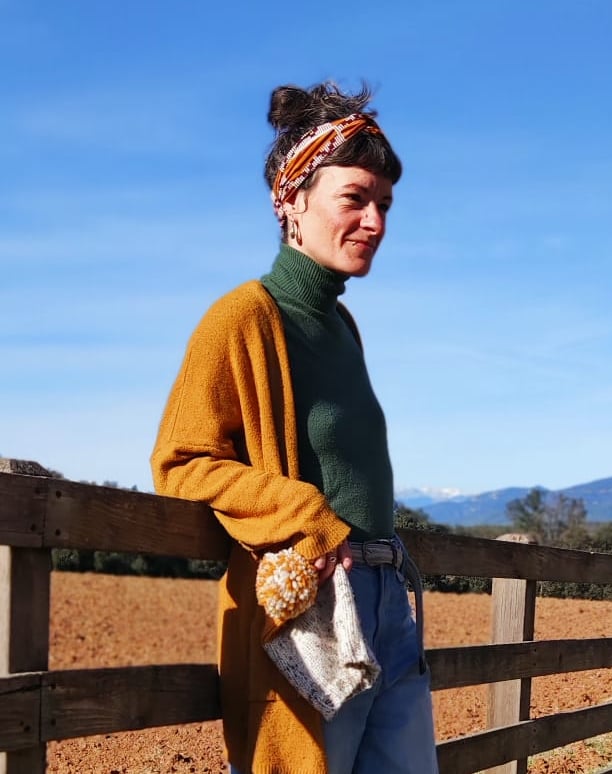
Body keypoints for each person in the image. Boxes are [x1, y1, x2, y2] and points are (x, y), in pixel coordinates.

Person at [151, 81, 438, 774]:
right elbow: (180, 462)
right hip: (312, 606)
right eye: (355, 198)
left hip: (386, 597)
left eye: (384, 204)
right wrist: (304, 513)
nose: (375, 221)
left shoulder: (342, 325)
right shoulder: (243, 317)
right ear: (292, 201)